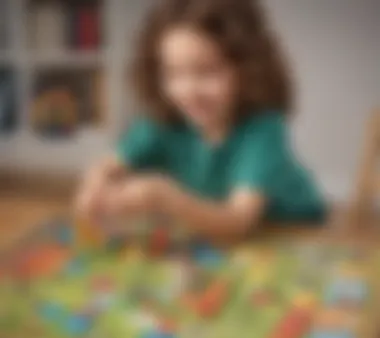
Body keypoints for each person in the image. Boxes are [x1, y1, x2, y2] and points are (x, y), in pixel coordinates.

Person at [75, 0, 326, 243]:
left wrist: (163, 197)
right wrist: (96, 181)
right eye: (173, 73)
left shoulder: (263, 129)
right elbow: (109, 165)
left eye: (207, 71)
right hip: (222, 232)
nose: (188, 91)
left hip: (292, 230)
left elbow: (238, 221)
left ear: (248, 69)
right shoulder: (160, 121)